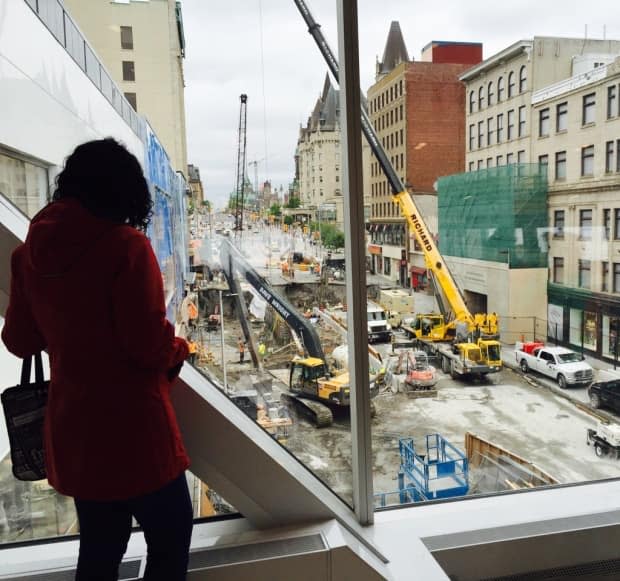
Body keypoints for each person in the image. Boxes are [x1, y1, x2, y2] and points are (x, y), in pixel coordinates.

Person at [1, 138, 193, 580]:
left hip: (77, 436)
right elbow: (148, 344)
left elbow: (18, 341)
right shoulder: (125, 247)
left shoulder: (27, 255)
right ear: (124, 192)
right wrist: (180, 348)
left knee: (100, 551)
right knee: (170, 539)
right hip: (135, 434)